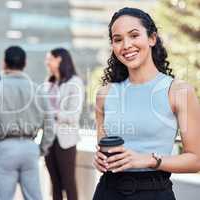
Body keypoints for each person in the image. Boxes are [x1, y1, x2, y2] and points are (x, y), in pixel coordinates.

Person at [93, 7, 200, 200]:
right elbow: (103, 149)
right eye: (118, 39)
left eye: (134, 35)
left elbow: (196, 160)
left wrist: (148, 160)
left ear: (152, 38)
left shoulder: (178, 91)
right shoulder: (104, 94)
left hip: (154, 193)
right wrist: (100, 160)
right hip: (107, 191)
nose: (126, 45)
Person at [0, 46, 55, 200]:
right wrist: (40, 149)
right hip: (29, 147)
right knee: (34, 197)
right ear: (25, 63)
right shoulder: (37, 90)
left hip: (4, 148)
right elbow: (50, 126)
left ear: (4, 63)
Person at [44, 48, 85, 200]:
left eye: (49, 59)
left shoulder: (75, 83)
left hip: (66, 141)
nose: (46, 62)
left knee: (68, 183)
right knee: (54, 184)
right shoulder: (49, 83)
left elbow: (74, 116)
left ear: (59, 59)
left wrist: (52, 112)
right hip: (48, 140)